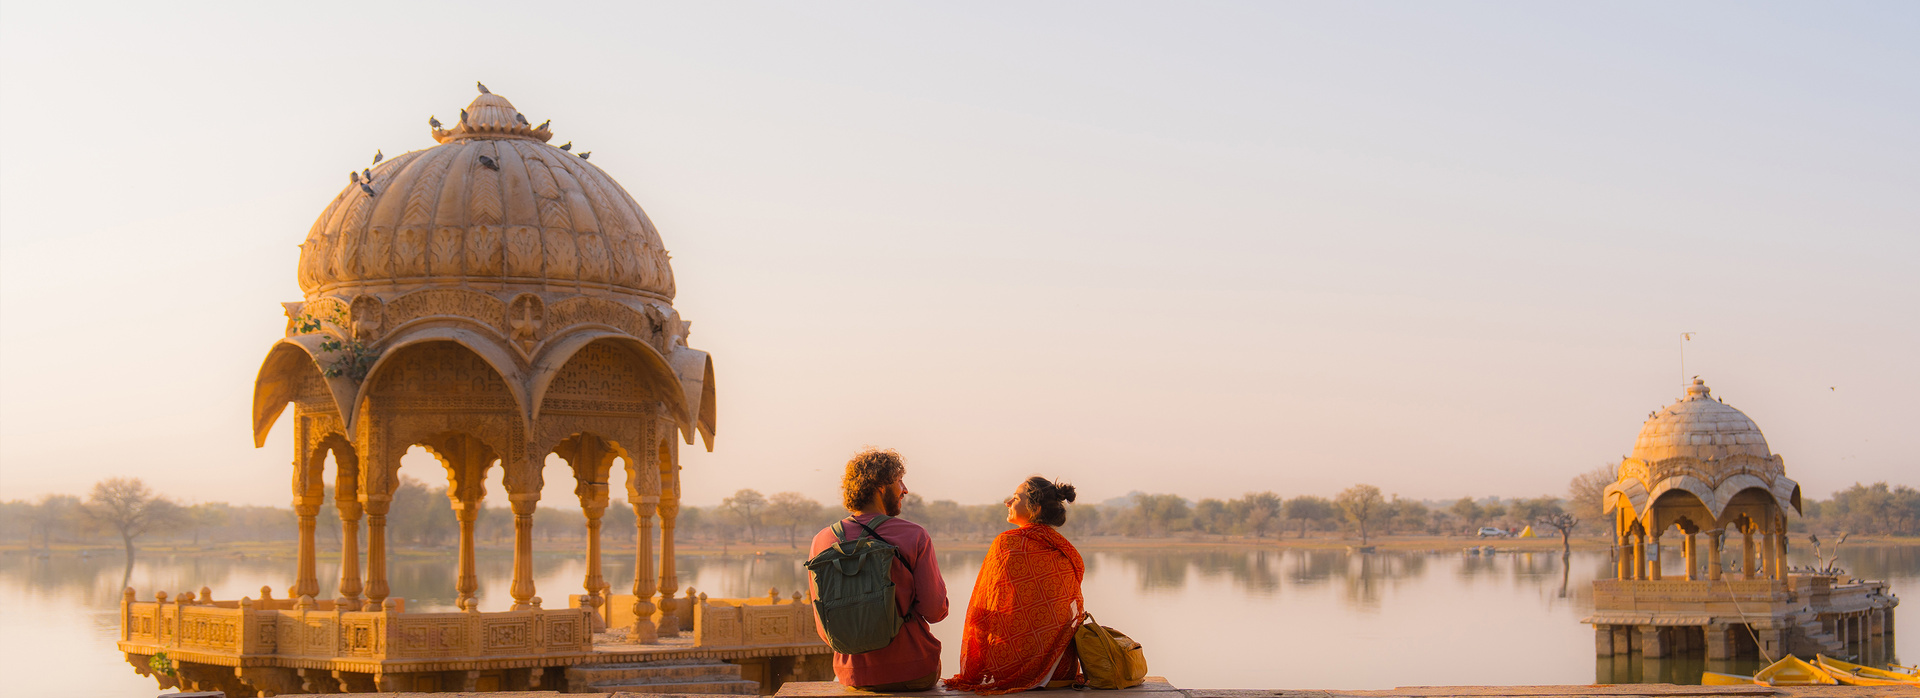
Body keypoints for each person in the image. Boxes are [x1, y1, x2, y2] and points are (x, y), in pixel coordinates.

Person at [809, 448, 948, 691]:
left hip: (852, 674)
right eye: (899, 481)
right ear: (881, 487)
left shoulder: (822, 539)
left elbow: (824, 627)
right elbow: (935, 611)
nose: (905, 489)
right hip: (914, 670)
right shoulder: (913, 535)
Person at [944, 477, 1084, 695]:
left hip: (1011, 671)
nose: (1007, 502)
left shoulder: (1006, 543)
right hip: (1059, 670)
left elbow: (988, 609)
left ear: (1034, 508)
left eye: (1016, 498)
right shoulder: (1063, 549)